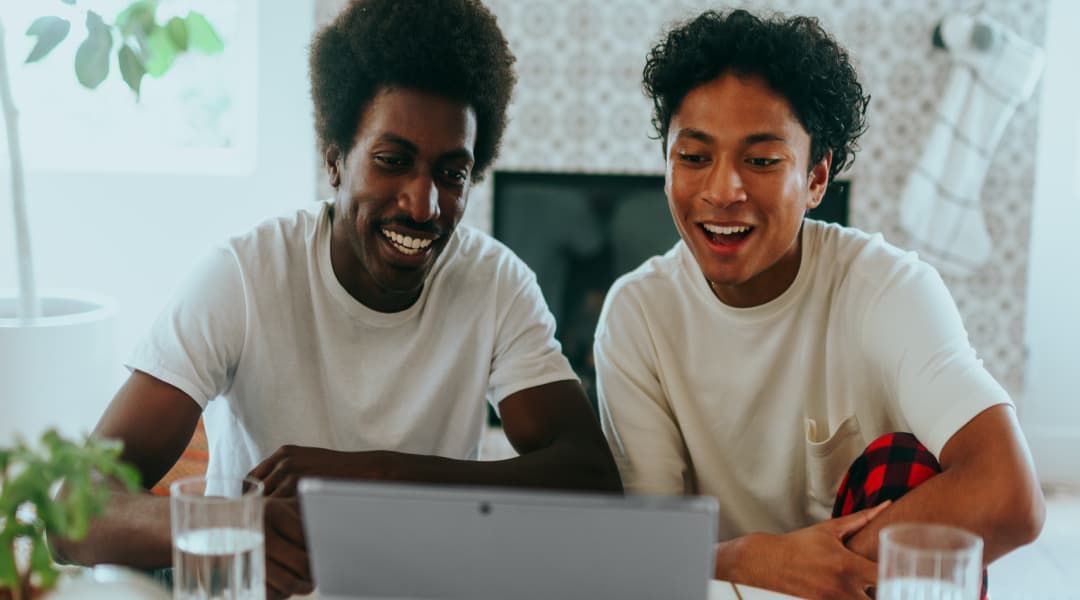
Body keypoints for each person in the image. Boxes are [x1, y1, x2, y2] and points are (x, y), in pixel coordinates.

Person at [54, 1, 621, 598]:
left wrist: (380, 473)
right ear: (334, 159)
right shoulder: (244, 276)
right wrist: (238, 526)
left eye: (451, 174)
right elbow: (74, 509)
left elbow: (590, 480)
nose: (423, 205)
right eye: (392, 162)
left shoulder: (495, 282)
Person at [594, 9, 1044, 599]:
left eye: (761, 160)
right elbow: (653, 555)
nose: (722, 190)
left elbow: (1008, 495)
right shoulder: (638, 316)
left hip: (857, 593)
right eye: (694, 156)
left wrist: (812, 570)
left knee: (903, 468)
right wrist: (757, 559)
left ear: (815, 178)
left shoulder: (887, 288)